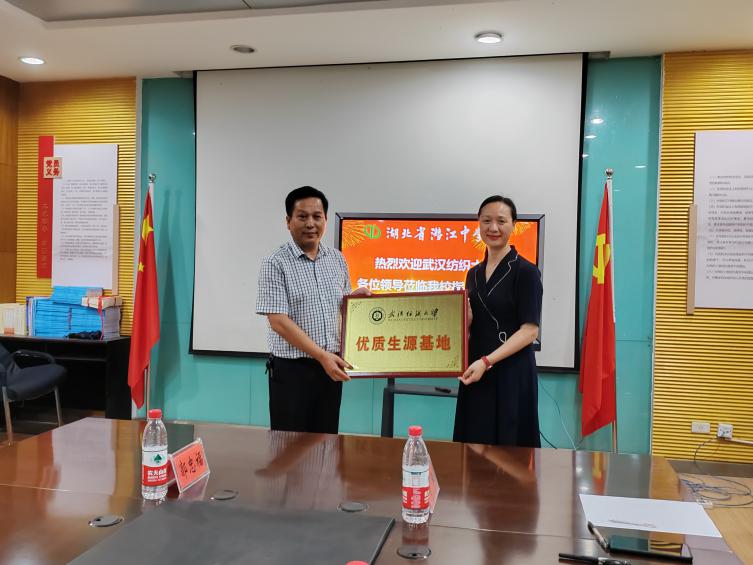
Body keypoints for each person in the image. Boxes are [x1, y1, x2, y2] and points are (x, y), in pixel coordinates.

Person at [256, 186, 367, 434]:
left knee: (327, 442)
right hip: (292, 371)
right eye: (302, 216)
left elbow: (337, 307)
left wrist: (353, 301)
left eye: (317, 216)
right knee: (290, 446)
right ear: (288, 221)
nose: (310, 224)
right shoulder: (275, 262)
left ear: (325, 220)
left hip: (330, 368)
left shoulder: (337, 259)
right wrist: (321, 355)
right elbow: (278, 321)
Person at [453, 195, 543, 447]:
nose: (493, 228)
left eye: (501, 221)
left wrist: (487, 361)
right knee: (473, 444)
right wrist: (466, 322)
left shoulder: (526, 272)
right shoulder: (473, 274)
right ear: (478, 224)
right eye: (486, 221)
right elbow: (475, 325)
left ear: (514, 225)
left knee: (510, 449)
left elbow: (530, 331)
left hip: (511, 372)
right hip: (476, 370)